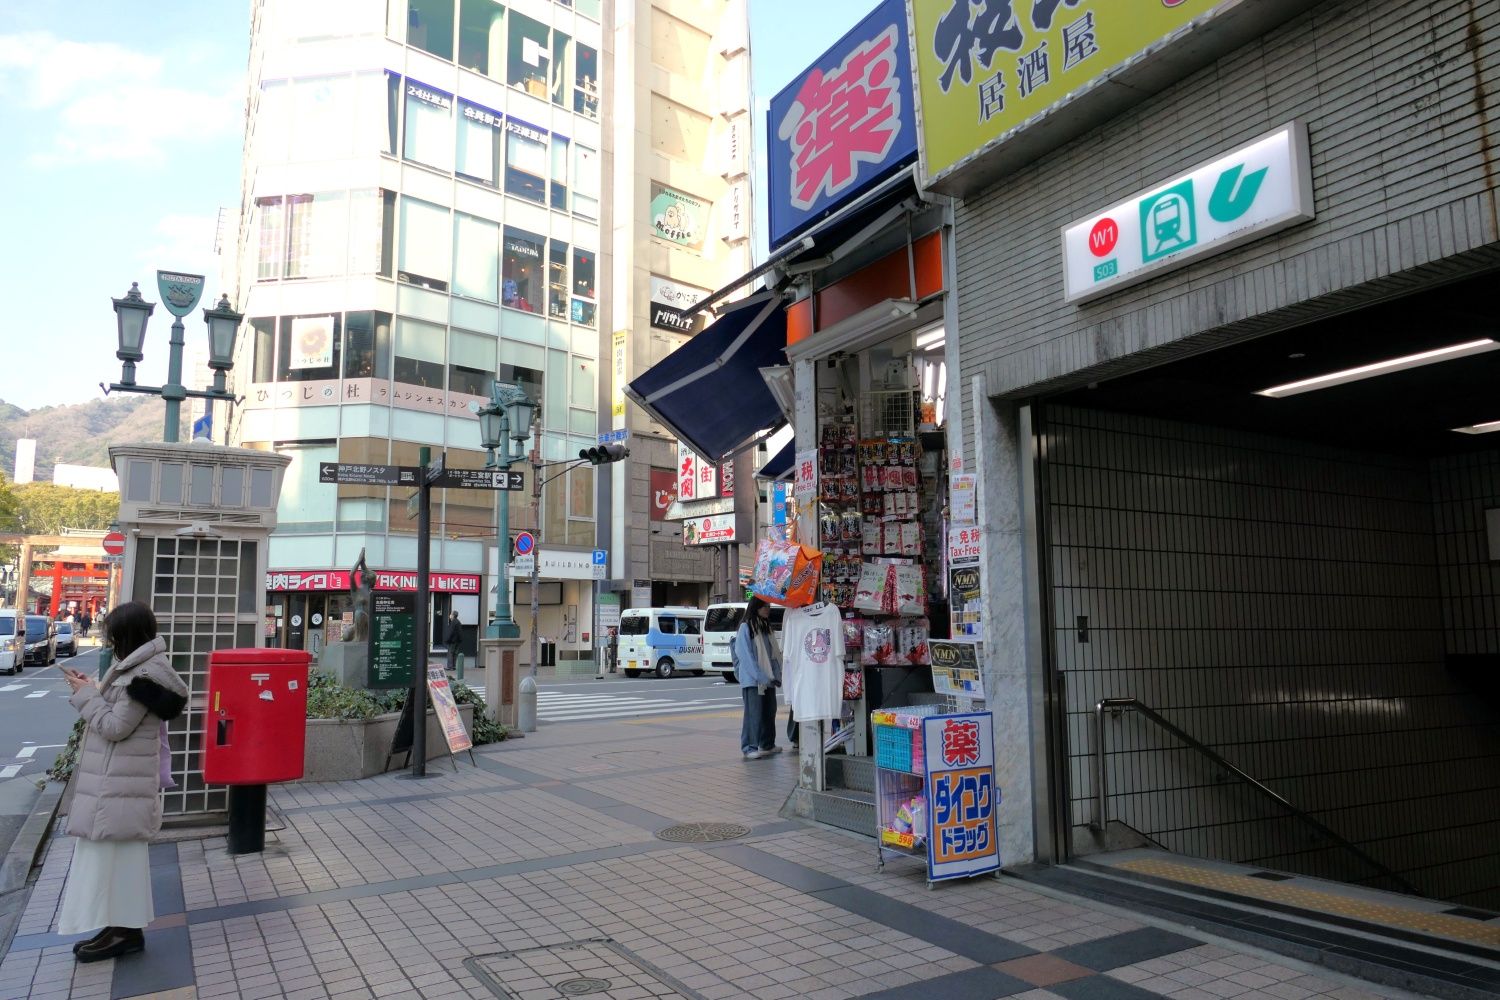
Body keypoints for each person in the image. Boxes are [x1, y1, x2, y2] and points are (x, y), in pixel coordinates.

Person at [58, 601, 187, 963]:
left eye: (113, 635)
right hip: (118, 784)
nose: (109, 640)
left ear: (126, 636)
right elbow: (118, 712)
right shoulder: (140, 669)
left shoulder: (141, 676)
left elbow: (116, 727)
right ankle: (120, 926)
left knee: (116, 859)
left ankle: (126, 931)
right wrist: (93, 689)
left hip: (120, 787)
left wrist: (84, 696)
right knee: (113, 860)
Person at [732, 596, 782, 760]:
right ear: (756, 607)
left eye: (768, 606)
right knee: (753, 713)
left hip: (768, 678)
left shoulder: (766, 627)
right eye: (765, 606)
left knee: (769, 711)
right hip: (753, 680)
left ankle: (767, 743)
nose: (768, 609)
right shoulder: (746, 628)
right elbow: (746, 656)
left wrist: (776, 675)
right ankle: (749, 747)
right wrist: (760, 676)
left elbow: (774, 655)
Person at [443, 610, 463, 675]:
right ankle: (453, 666)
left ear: (453, 615)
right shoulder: (458, 622)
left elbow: (450, 633)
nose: (450, 615)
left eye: (451, 614)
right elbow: (460, 633)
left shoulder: (453, 622)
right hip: (458, 641)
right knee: (455, 653)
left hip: (452, 641)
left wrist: (447, 640)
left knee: (450, 653)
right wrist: (460, 640)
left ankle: (450, 666)